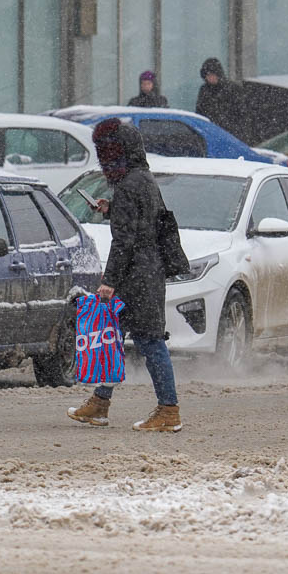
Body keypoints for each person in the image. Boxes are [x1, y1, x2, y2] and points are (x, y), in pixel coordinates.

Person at [67, 119, 182, 432]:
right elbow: (143, 223)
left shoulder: (129, 185)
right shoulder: (142, 179)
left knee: (150, 342)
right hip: (147, 272)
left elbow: (125, 241)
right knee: (113, 338)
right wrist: (112, 209)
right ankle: (99, 404)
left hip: (138, 276)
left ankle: (169, 410)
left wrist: (109, 281)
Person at [194, 57, 244, 137]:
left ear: (218, 74)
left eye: (212, 74)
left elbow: (240, 114)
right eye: (207, 75)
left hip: (229, 134)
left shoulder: (233, 89)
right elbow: (200, 112)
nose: (210, 77)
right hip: (209, 133)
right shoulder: (204, 90)